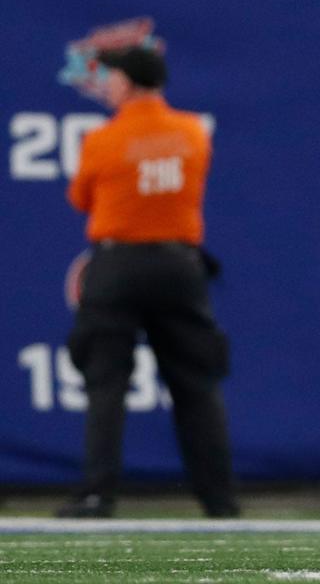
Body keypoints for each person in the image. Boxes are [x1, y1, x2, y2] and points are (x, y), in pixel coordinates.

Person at [57, 44, 239, 518]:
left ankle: (98, 494)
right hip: (180, 266)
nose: (109, 85)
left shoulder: (103, 140)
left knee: (106, 384)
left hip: (118, 267)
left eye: (113, 77)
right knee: (197, 385)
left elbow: (81, 198)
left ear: (127, 82)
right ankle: (220, 502)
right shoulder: (193, 132)